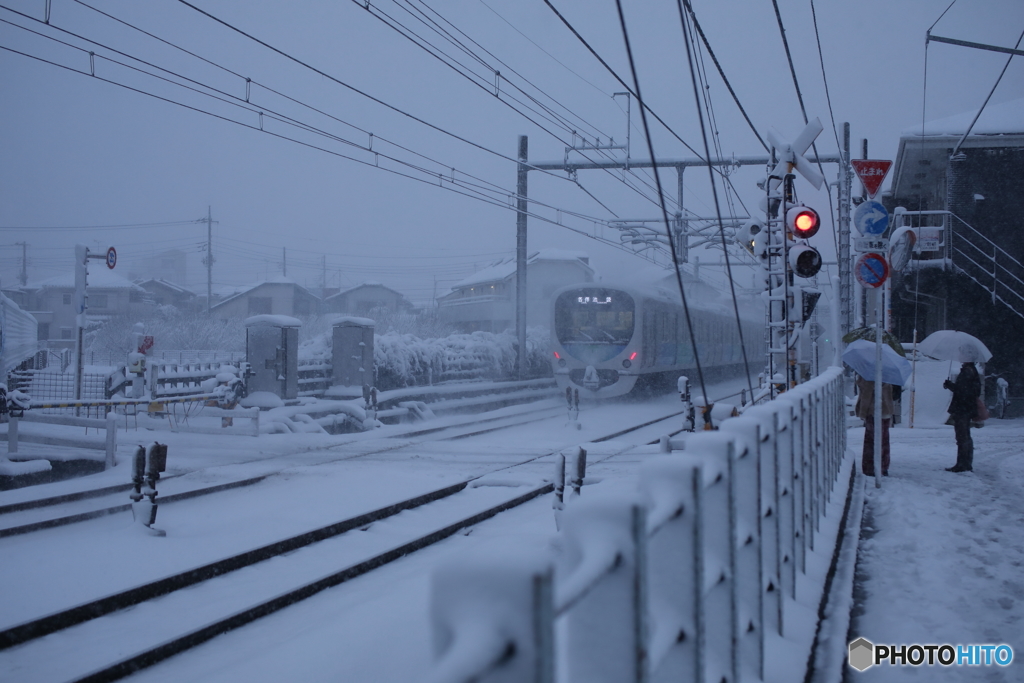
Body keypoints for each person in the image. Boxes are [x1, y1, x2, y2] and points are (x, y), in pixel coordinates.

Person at [943, 361, 981, 472]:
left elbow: (963, 391)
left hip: (963, 408)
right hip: (966, 407)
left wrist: (950, 385)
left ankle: (963, 464)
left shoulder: (967, 371)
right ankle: (965, 463)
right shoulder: (971, 371)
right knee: (964, 436)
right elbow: (966, 390)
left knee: (962, 436)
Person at [855, 375, 894, 476]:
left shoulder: (870, 375)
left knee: (871, 441)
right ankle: (883, 466)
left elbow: (866, 396)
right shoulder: (885, 374)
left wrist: (862, 413)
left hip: (874, 411)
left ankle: (871, 468)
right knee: (884, 440)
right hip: (886, 410)